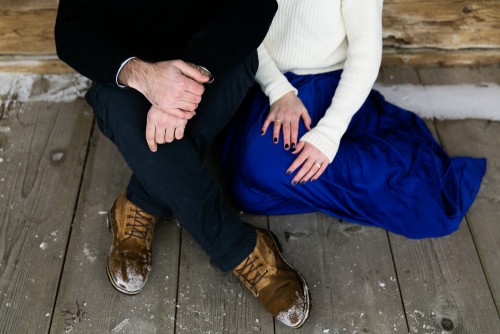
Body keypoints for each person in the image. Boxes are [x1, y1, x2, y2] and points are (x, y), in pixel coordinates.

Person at [54, 0, 311, 328]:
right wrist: (146, 77)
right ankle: (241, 248)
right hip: (130, 80)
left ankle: (141, 201)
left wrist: (184, 84)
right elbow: (71, 31)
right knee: (121, 109)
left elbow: (255, 5)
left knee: (240, 62)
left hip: (208, 65)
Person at [222, 0, 486, 238]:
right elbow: (239, 26)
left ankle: (393, 176)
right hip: (264, 81)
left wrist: (328, 132)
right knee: (246, 192)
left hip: (323, 83)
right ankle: (309, 179)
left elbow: (365, 55)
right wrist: (278, 89)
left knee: (260, 170)